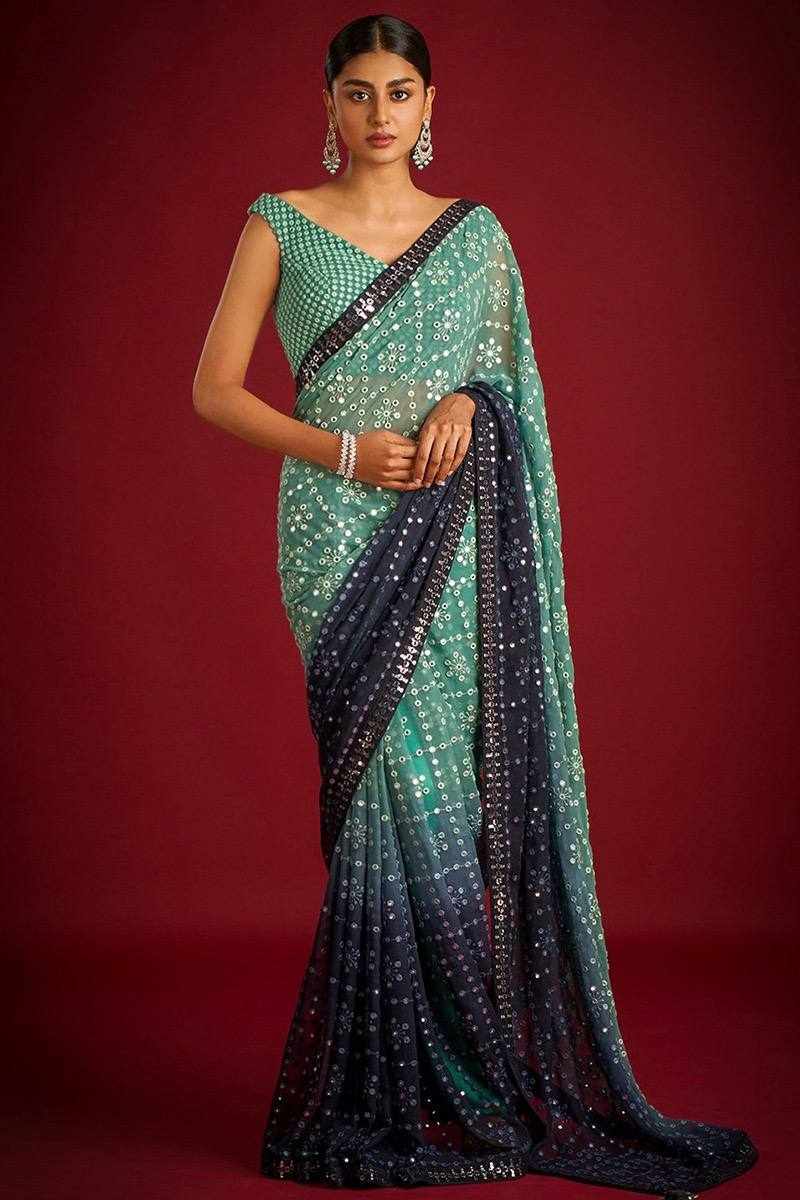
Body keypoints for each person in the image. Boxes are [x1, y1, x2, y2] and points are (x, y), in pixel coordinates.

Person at [192, 13, 759, 1197]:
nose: (379, 112)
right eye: (357, 91)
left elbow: (504, 381)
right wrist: (344, 451)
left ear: (429, 106)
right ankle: (388, 1085)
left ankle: (455, 1073)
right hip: (334, 530)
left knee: (442, 789)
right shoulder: (278, 221)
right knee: (383, 789)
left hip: (452, 537)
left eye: (399, 91)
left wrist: (467, 402)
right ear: (328, 104)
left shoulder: (476, 236)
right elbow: (214, 389)